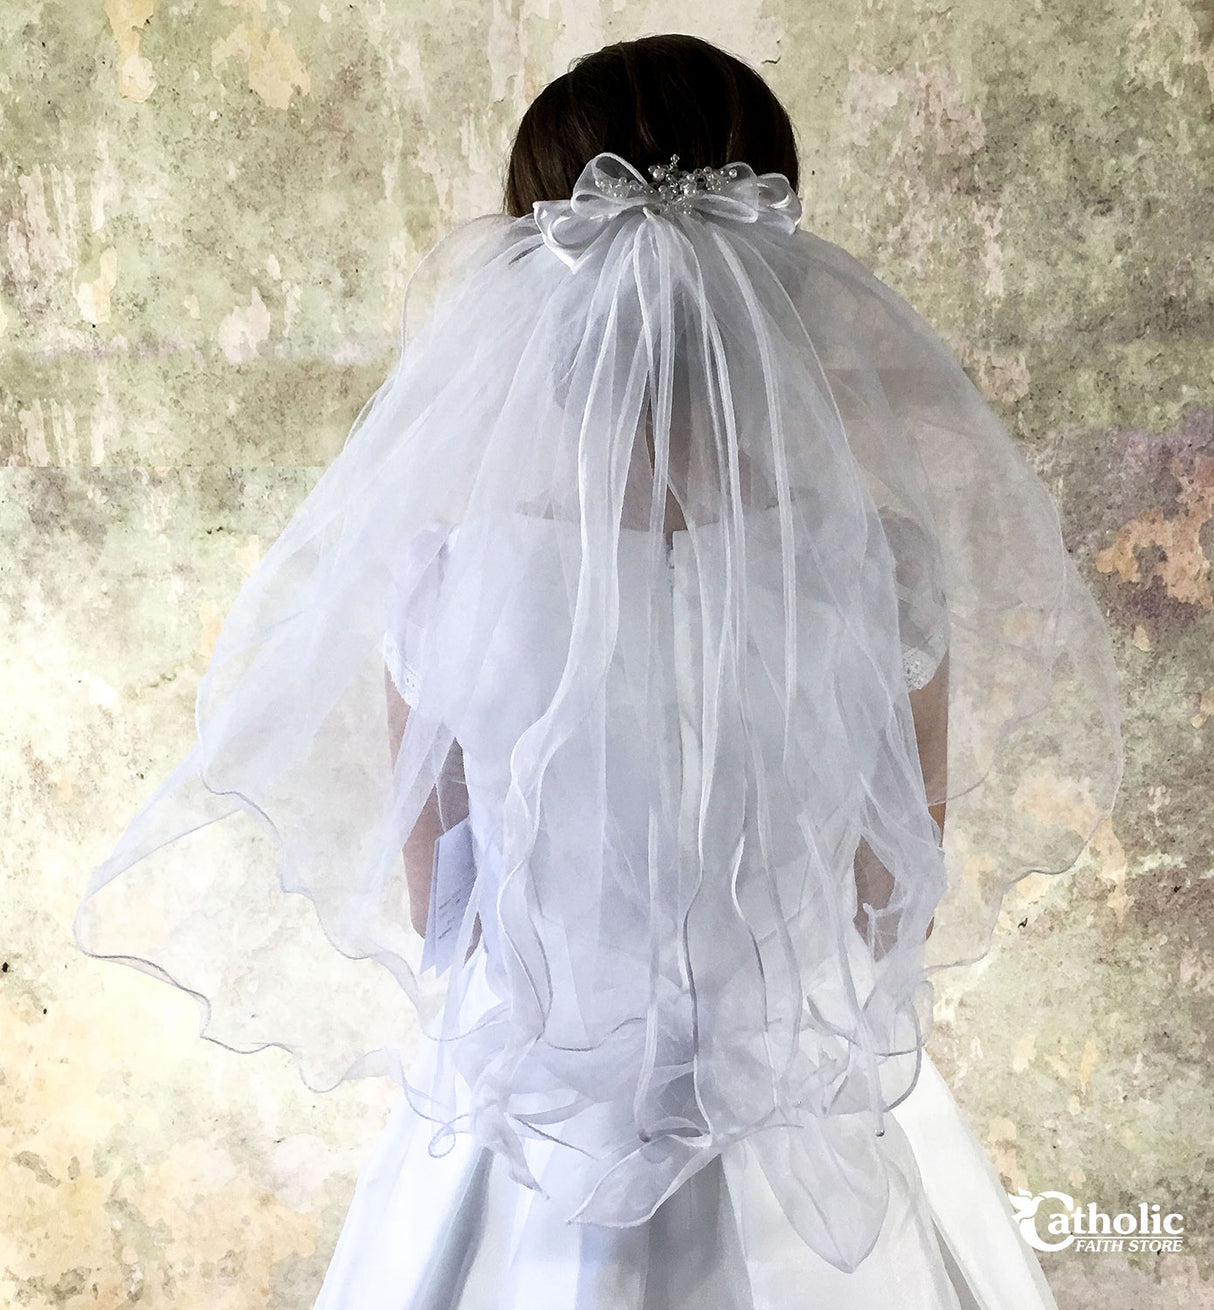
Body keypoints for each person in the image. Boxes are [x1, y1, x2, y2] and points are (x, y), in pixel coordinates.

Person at [72, 33, 1124, 1310]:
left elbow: (445, 912)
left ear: (535, 276)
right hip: (806, 1135)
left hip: (535, 1142)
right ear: (777, 270)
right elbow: (888, 898)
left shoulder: (448, 577)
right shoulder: (876, 568)